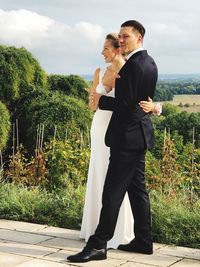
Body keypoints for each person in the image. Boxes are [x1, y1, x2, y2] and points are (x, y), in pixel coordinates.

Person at [68, 20, 158, 263]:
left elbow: (127, 106)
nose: (121, 39)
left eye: (125, 36)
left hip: (127, 137)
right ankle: (143, 240)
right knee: (138, 191)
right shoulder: (149, 63)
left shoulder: (134, 66)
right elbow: (141, 103)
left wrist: (101, 100)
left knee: (112, 192)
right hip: (138, 136)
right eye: (119, 36)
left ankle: (98, 244)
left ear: (139, 38)